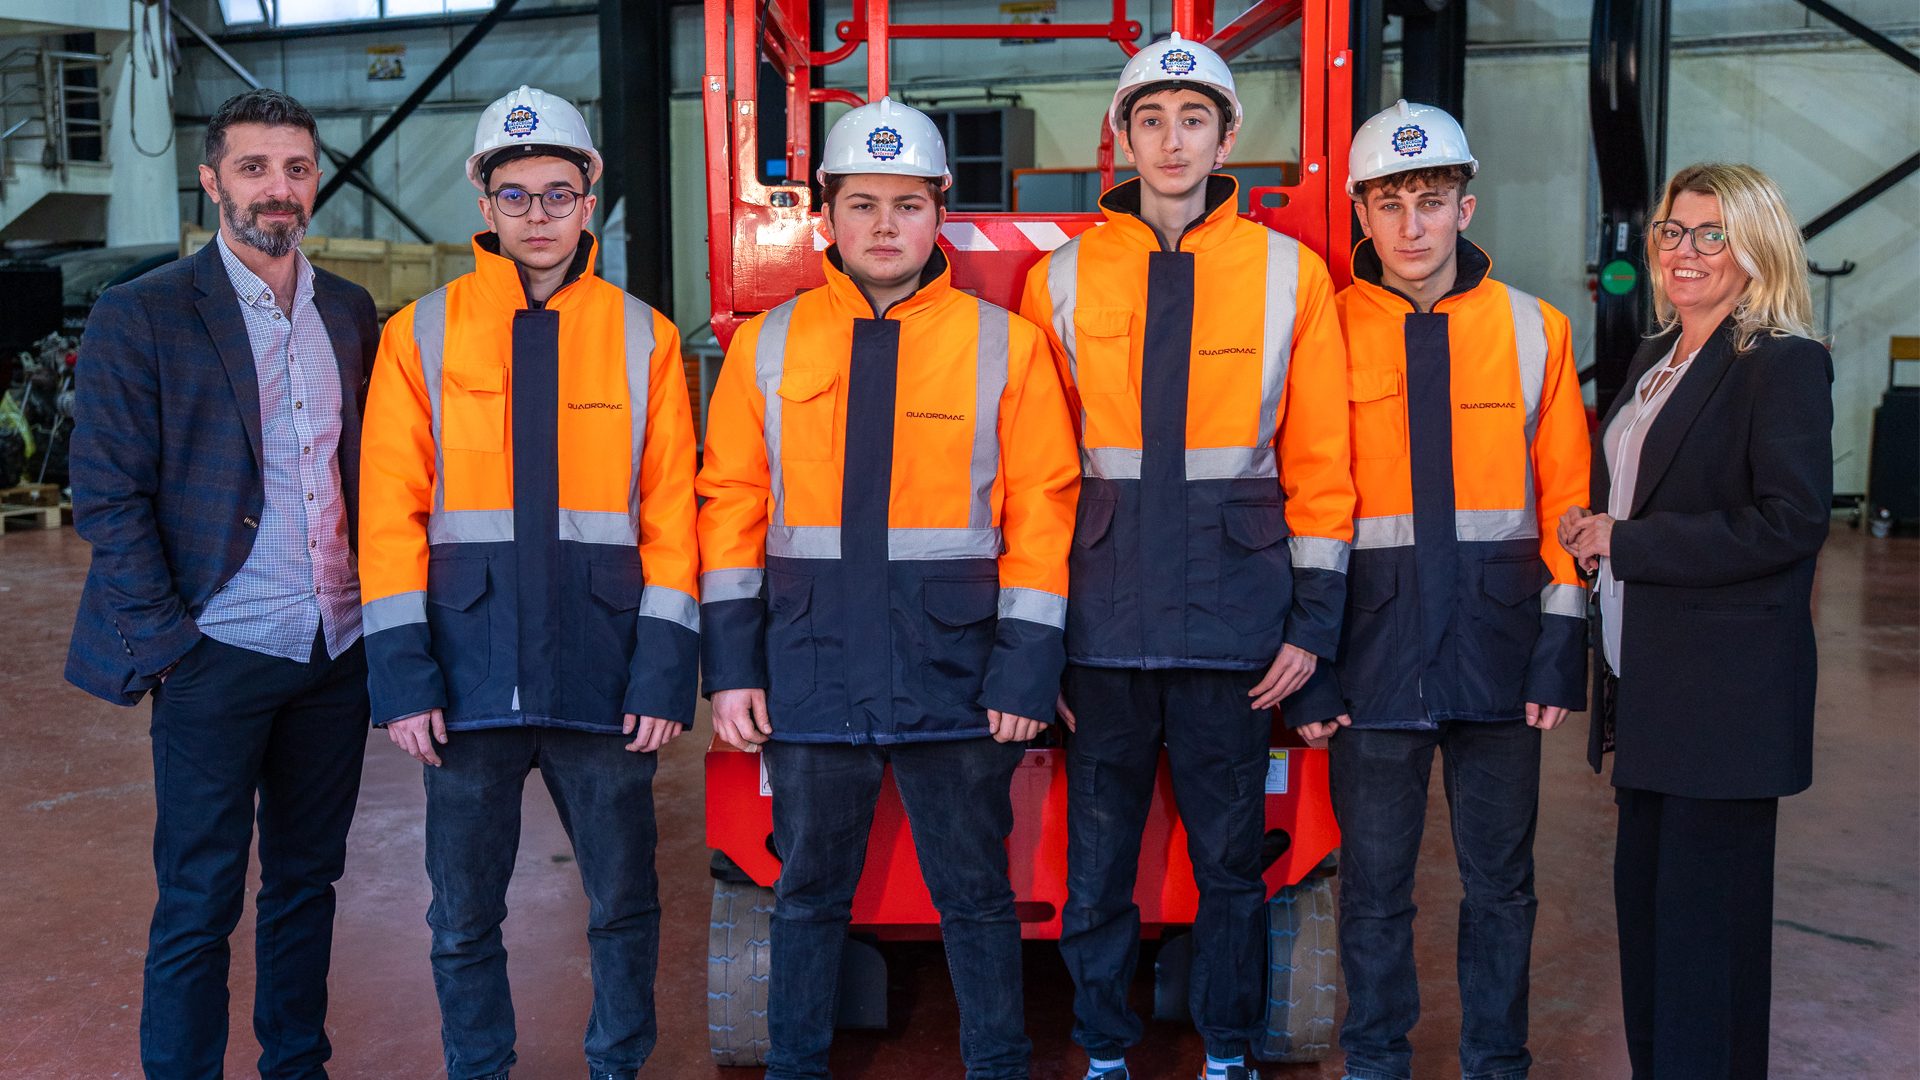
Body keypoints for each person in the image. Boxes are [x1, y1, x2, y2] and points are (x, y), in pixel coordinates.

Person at [697, 97, 1079, 1080]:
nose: (883, 226)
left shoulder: (1006, 345)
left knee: (977, 897)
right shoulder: (767, 344)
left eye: (906, 205)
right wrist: (732, 669)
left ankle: (998, 1066)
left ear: (940, 211)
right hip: (811, 668)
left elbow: (1043, 512)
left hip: (959, 673)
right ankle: (794, 1067)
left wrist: (1024, 671)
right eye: (861, 204)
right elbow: (730, 505)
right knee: (807, 895)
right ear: (826, 213)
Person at [1017, 33, 1353, 1080]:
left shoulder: (1291, 277)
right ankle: (1103, 1052)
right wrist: (1037, 644)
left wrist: (1312, 625)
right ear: (1122, 136)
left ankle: (1230, 1051)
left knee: (1232, 869)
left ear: (1227, 136)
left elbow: (1323, 465)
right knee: (1097, 869)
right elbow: (1037, 476)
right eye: (1152, 120)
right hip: (1102, 630)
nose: (1172, 141)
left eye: (1193, 120)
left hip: (1236, 630)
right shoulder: (1058, 280)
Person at [357, 85, 700, 1080]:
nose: (537, 216)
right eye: (516, 196)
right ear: (484, 202)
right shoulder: (419, 334)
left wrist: (662, 672)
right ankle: (480, 1068)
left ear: (589, 199)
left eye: (557, 194)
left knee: (624, 904)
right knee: (462, 915)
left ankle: (617, 1065)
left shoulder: (644, 337)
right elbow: (388, 515)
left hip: (606, 677)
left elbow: (672, 517)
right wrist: (404, 680)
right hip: (468, 678)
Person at [64, 88, 379, 1078]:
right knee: (200, 899)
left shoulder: (349, 310)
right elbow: (106, 495)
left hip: (334, 651)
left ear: (314, 182)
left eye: (295, 168)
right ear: (211, 181)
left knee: (307, 883)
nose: (277, 188)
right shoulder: (142, 313)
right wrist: (171, 649)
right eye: (253, 168)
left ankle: (296, 1063)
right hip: (217, 651)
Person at [1317, 100, 1590, 1080]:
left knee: (1502, 887)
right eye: (1390, 205)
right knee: (1374, 890)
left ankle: (1496, 1063)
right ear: (1361, 213)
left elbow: (1566, 502)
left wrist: (1562, 645)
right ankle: (1375, 1062)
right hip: (1371, 654)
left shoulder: (1535, 330)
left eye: (1431, 201)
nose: (1412, 226)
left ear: (1465, 209)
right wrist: (1312, 658)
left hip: (1499, 652)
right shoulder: (1324, 331)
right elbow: (1302, 499)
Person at [1560, 162, 1831, 1080]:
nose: (1686, 250)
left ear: (1756, 248)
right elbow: (1649, 493)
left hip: (1724, 703)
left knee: (1704, 947)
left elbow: (1790, 522)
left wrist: (1630, 542)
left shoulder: (1782, 361)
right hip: (1652, 690)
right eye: (1673, 231)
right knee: (1652, 930)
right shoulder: (1658, 357)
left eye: (1713, 233)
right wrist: (1598, 533)